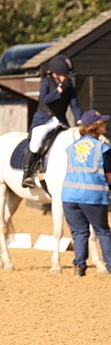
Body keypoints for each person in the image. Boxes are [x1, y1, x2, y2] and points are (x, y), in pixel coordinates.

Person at [60, 110, 111, 277]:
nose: (105, 125)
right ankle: (110, 265)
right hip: (93, 196)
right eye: (102, 123)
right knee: (103, 231)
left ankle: (79, 267)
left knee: (79, 232)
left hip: (69, 196)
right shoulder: (103, 148)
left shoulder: (71, 147)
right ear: (95, 127)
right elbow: (109, 175)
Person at [22, 54, 83, 188]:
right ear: (56, 74)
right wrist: (60, 90)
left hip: (60, 120)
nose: (67, 78)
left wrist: (80, 120)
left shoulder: (70, 87)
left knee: (72, 139)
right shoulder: (46, 82)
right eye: (64, 75)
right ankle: (27, 174)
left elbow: (75, 106)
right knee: (36, 142)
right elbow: (44, 100)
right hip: (44, 119)